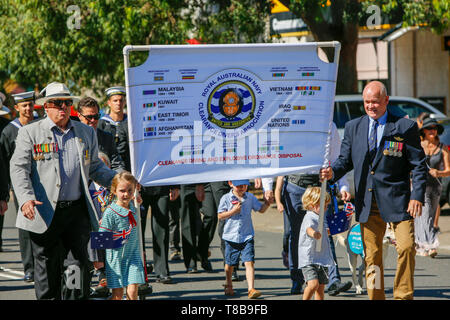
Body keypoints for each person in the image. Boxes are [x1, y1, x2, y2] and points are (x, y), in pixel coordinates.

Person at [10, 82, 117, 300]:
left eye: (67, 103)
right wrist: (26, 198)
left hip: (76, 212)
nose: (63, 107)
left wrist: (119, 181)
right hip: (44, 210)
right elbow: (19, 168)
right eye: (57, 103)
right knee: (47, 268)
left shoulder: (85, 132)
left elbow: (95, 167)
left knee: (77, 264)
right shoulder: (30, 133)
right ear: (45, 106)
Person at [320, 81, 427, 300]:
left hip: (399, 201)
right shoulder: (353, 127)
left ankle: (402, 296)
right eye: (367, 102)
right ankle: (376, 296)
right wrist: (332, 172)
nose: (371, 106)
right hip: (367, 203)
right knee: (372, 257)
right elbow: (345, 160)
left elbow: (418, 165)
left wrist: (417, 196)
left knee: (406, 248)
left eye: (376, 102)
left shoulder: (404, 127)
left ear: (386, 101)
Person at [273, 121, 352, 296]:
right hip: (295, 187)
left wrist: (343, 186)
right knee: (296, 235)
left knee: (326, 231)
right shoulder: (289, 123)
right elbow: (275, 154)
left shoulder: (328, 124)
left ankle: (333, 280)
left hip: (320, 186)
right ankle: (297, 279)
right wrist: (266, 186)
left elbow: (337, 158)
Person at [0, 91, 36, 282]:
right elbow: (3, 164)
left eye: (30, 105)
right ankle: (29, 267)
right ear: (17, 108)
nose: (28, 109)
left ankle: (44, 265)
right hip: (20, 187)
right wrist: (4, 193)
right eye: (24, 106)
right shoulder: (9, 131)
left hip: (42, 184)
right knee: (25, 228)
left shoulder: (41, 125)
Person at [218, 179, 272, 299]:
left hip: (247, 236)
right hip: (231, 236)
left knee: (249, 261)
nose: (242, 188)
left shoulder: (250, 197)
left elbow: (261, 209)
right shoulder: (226, 198)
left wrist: (267, 203)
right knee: (230, 264)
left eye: (245, 185)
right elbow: (220, 215)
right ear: (231, 183)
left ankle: (251, 289)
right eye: (239, 185)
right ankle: (229, 284)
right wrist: (233, 211)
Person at [99, 171, 146, 300]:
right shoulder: (110, 212)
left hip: (133, 256)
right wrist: (118, 239)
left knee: (132, 291)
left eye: (130, 190)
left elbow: (137, 205)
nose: (126, 194)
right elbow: (100, 239)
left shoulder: (134, 205)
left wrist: (137, 201)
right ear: (114, 191)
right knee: (118, 295)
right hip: (116, 259)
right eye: (122, 191)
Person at [415, 118, 450, 258]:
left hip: (436, 186)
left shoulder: (442, 148)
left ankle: (420, 243)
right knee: (425, 212)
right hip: (420, 185)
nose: (432, 131)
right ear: (424, 130)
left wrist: (439, 172)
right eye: (429, 128)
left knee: (430, 214)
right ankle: (430, 244)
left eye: (434, 129)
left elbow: (448, 170)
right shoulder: (418, 145)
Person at [298, 187, 334, 300]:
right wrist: (314, 233)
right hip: (309, 258)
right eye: (324, 205)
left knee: (320, 289)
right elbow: (308, 229)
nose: (326, 208)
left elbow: (326, 230)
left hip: (321, 257)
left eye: (327, 205)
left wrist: (335, 229)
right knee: (313, 284)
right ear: (312, 205)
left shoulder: (321, 217)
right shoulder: (309, 216)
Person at [77, 96, 125, 172]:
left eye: (96, 116)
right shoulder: (72, 137)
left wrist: (122, 177)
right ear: (79, 116)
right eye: (89, 117)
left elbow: (116, 165)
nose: (93, 120)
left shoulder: (107, 137)